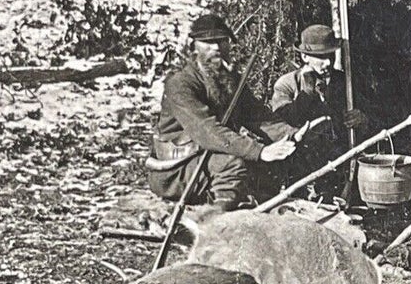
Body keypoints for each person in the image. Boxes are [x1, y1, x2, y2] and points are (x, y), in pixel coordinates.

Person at [145, 13, 303, 210]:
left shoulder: (230, 80)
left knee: (267, 170)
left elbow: (256, 116)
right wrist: (259, 151)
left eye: (222, 41)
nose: (217, 48)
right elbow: (206, 130)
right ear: (194, 46)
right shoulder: (180, 84)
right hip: (176, 169)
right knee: (232, 164)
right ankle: (219, 225)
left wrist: (291, 133)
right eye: (208, 42)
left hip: (210, 156)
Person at [269, 23, 367, 177]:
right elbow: (282, 124)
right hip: (303, 169)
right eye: (321, 57)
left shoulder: (346, 83)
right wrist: (307, 90)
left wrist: (361, 119)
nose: (328, 62)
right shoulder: (287, 85)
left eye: (331, 55)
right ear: (304, 56)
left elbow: (373, 119)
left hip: (343, 164)